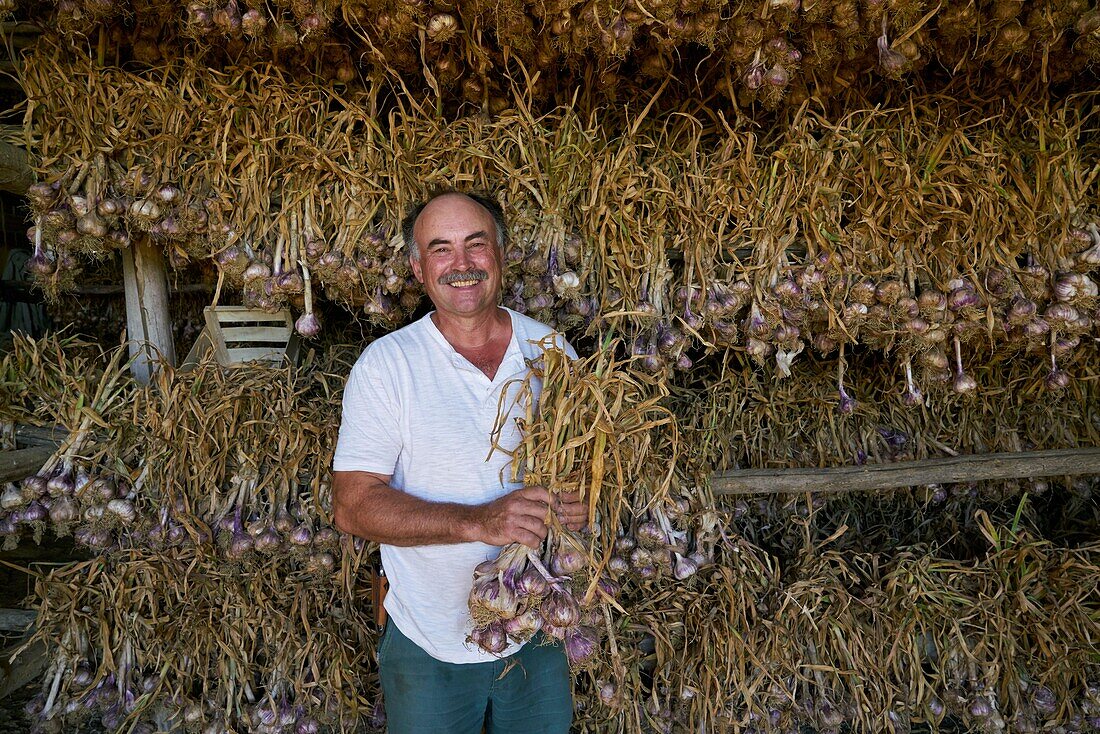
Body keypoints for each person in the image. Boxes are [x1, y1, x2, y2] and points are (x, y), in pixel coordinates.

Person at [332, 191, 586, 734]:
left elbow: (588, 475)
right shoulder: (387, 366)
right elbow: (353, 508)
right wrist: (478, 521)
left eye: (476, 244)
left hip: (539, 628)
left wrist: (580, 506)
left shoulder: (552, 353)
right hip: (430, 644)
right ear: (417, 267)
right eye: (441, 249)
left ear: (501, 252)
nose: (462, 264)